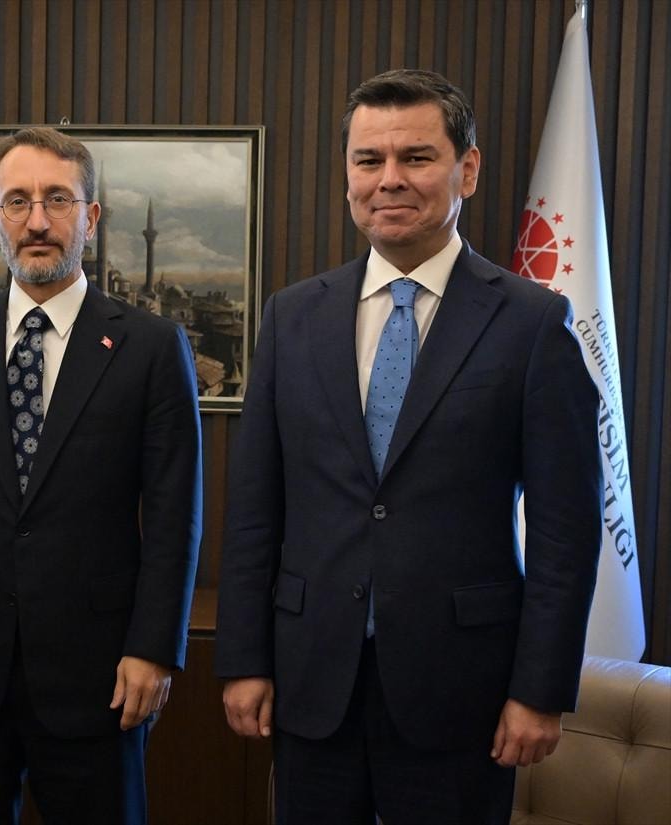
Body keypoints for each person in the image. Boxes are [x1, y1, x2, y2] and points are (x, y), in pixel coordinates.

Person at [216, 69, 602, 824]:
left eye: (416, 157)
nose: (389, 179)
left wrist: (540, 689)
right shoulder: (292, 318)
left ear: (467, 169)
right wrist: (243, 659)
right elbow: (255, 511)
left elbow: (567, 530)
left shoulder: (532, 325)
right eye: (369, 160)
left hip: (462, 691)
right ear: (349, 176)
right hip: (311, 681)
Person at [0, 127, 202, 825]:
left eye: (58, 199)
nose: (37, 220)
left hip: (100, 674)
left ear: (91, 217)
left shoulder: (151, 346)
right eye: (17, 201)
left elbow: (174, 515)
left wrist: (154, 647)